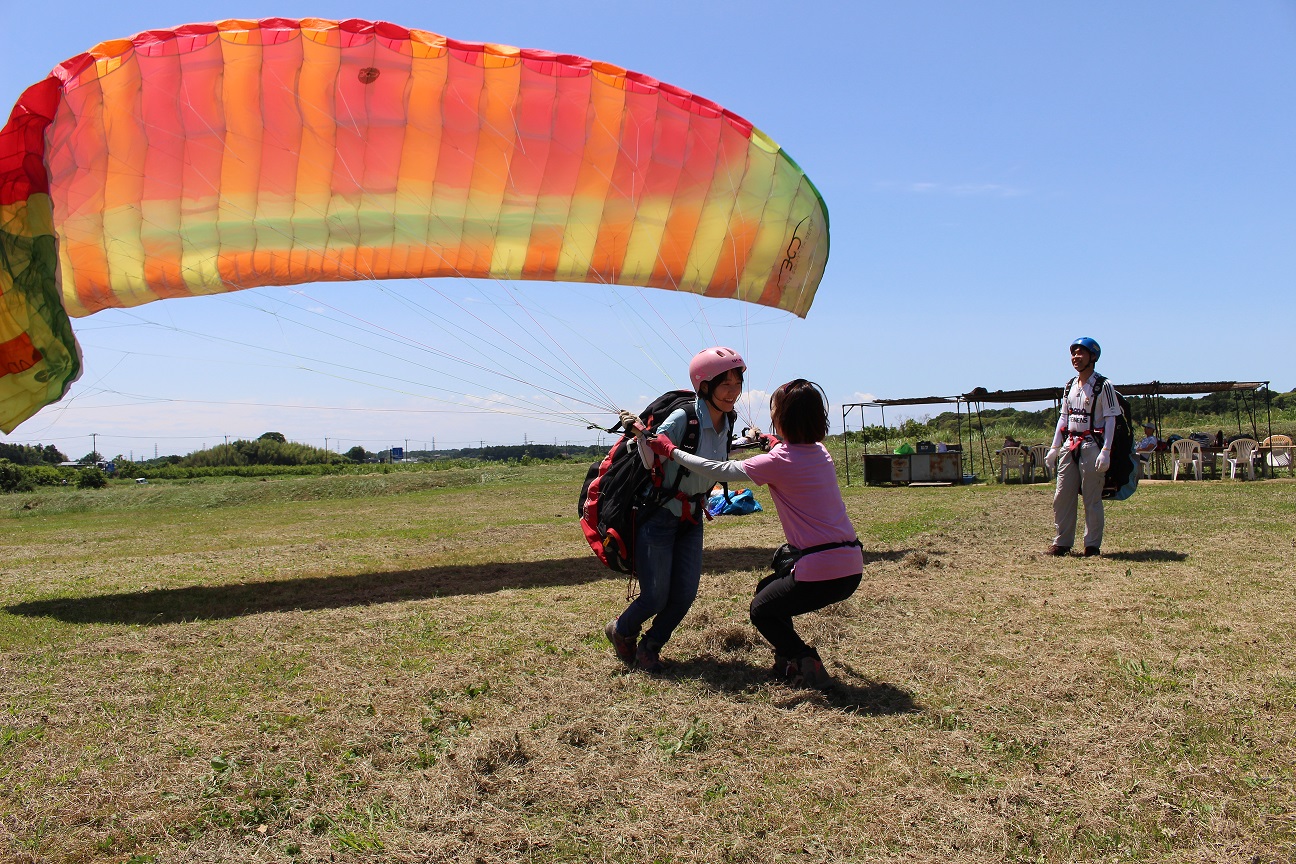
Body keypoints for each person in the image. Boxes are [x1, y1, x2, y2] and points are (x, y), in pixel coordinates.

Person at [636, 379, 863, 690]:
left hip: (820, 569)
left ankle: (803, 659)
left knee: (762, 610)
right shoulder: (820, 452)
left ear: (783, 418)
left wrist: (671, 451)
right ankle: (787, 659)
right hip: (850, 566)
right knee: (768, 590)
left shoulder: (779, 461)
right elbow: (788, 451)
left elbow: (717, 470)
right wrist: (771, 441)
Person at [604, 347, 745, 673]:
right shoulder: (685, 418)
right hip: (660, 515)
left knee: (683, 594)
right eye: (725, 384)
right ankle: (621, 630)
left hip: (693, 516)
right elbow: (652, 457)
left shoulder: (728, 419)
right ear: (705, 386)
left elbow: (717, 454)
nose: (733, 392)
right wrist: (640, 435)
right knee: (655, 596)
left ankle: (651, 646)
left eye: (737, 384)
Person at [1043, 337, 1120, 557]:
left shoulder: (1103, 386)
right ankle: (1062, 542)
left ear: (1092, 357)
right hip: (1070, 445)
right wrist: (1054, 447)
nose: (1075, 358)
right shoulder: (1069, 386)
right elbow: (1063, 418)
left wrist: (1106, 451)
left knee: (1091, 497)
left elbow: (1111, 419)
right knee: (1062, 496)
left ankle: (1092, 545)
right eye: (1073, 353)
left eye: (1081, 353)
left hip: (1091, 446)